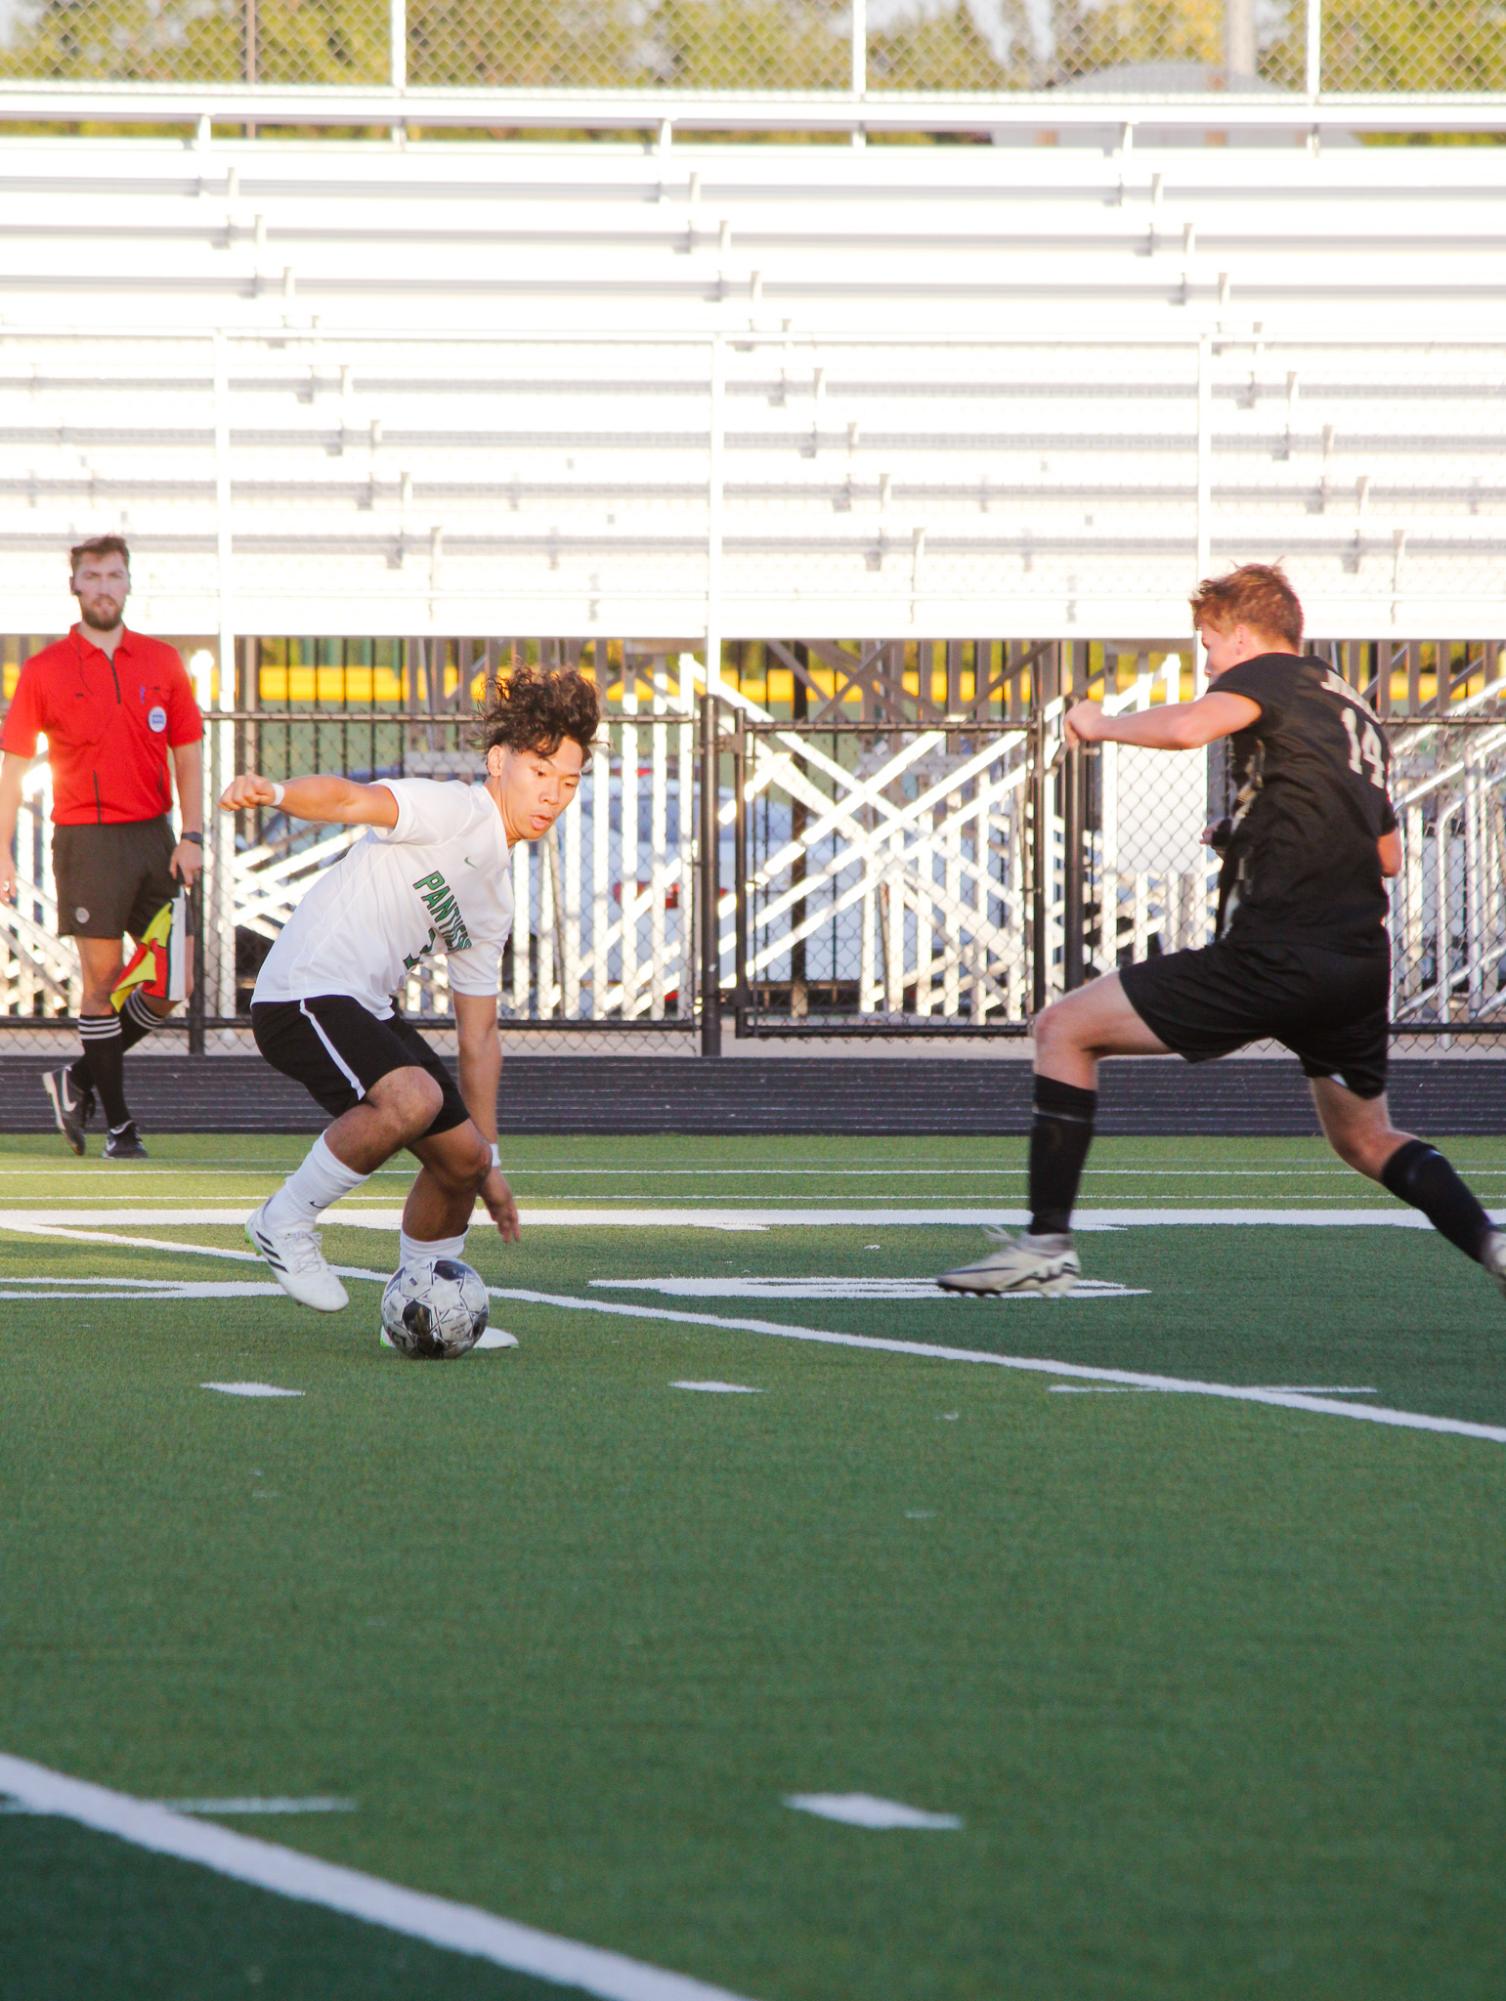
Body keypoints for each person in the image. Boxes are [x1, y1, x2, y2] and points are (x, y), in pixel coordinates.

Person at [938, 562, 1504, 1299]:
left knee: (1063, 1028)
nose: (1206, 662)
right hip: (1358, 961)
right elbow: (1387, 855)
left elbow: (1186, 727)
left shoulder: (1269, 675)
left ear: (1241, 634)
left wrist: (1099, 723)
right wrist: (1248, 829)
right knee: (1365, 1138)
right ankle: (1491, 1241)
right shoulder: (1352, 709)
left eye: (1207, 644)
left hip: (1278, 951)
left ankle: (1046, 1240)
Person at [220, 664, 598, 1335]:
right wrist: (276, 791)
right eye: (539, 772)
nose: (551, 794)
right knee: (414, 1097)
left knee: (462, 1158)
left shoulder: (495, 901)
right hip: (303, 988)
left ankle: (429, 1308)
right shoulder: (455, 811)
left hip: (363, 1003)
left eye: (567, 782)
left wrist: (492, 1162)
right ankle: (284, 1218)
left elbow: (479, 1037)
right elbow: (348, 801)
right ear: (498, 762)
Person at [0, 535, 203, 1159]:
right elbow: (11, 766)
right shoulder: (44, 670)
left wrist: (192, 835)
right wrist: (2, 850)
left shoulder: (163, 662)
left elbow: (188, 754)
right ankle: (119, 1126)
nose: (105, 586)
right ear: (76, 586)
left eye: (115, 575)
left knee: (175, 982)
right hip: (86, 841)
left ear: (128, 584)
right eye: (94, 576)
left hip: (156, 838)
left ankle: (79, 1077)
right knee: (103, 979)